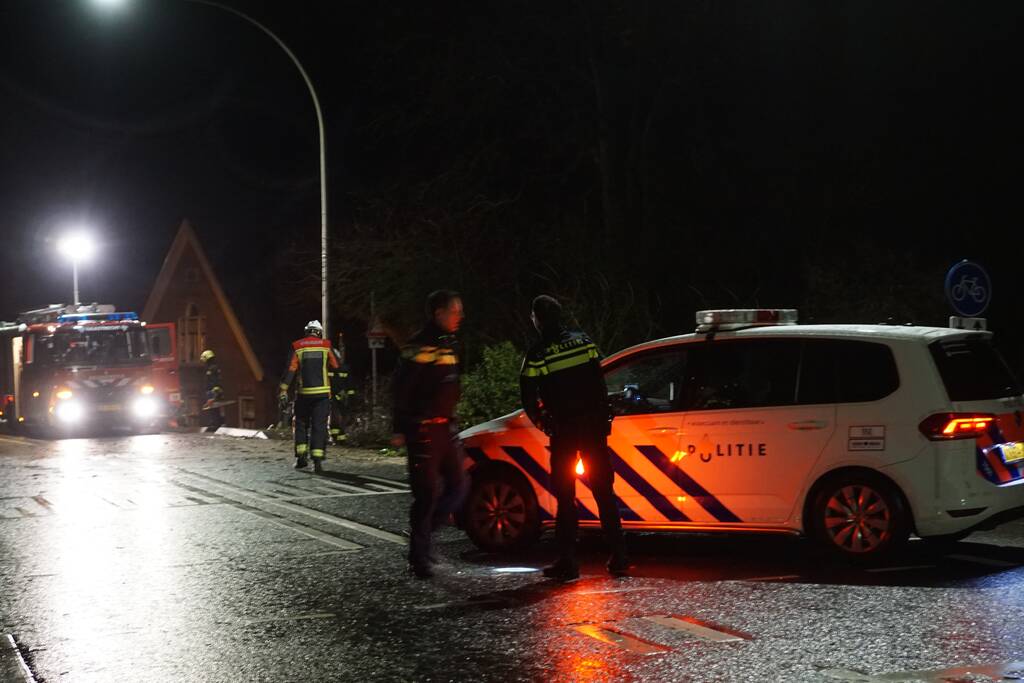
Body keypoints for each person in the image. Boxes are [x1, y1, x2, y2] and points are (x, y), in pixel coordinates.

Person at [520, 295, 628, 581]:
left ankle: (568, 562)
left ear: (538, 319)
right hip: (593, 430)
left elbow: (529, 398)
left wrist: (545, 424)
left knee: (566, 496)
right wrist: (604, 416)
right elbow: (600, 379)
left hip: (566, 434)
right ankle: (620, 556)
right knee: (604, 492)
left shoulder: (538, 353)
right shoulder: (584, 341)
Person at [391, 290, 467, 579]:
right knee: (426, 494)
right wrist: (400, 427)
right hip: (423, 429)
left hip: (445, 427)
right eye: (455, 311)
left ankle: (422, 537)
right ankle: (418, 557)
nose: (460, 317)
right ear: (439, 313)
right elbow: (401, 387)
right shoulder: (420, 345)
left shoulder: (447, 343)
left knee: (459, 486)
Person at [279, 320, 339, 474]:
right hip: (323, 395)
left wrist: (283, 390)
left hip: (304, 394)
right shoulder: (326, 345)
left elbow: (290, 370)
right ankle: (317, 460)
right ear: (319, 332)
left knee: (300, 424)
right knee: (319, 426)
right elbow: (336, 365)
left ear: (307, 331)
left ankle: (301, 458)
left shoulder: (298, 346)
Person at [328, 332, 356, 445]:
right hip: (336, 397)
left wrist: (350, 396)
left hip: (340, 397)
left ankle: (339, 438)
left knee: (340, 418)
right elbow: (350, 385)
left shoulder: (334, 369)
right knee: (337, 417)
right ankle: (338, 438)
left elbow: (350, 385)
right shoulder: (336, 369)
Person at [199, 349, 225, 430]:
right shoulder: (211, 368)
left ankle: (216, 423)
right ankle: (214, 422)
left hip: (213, 391)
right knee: (212, 408)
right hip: (211, 390)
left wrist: (216, 390)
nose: (203, 362)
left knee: (214, 408)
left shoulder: (213, 368)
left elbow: (216, 380)